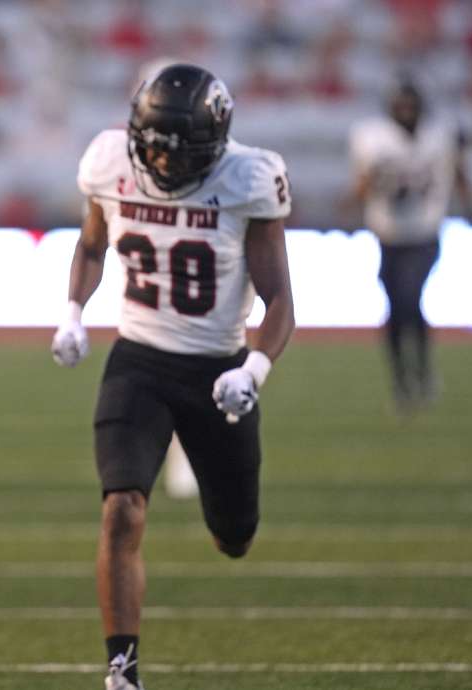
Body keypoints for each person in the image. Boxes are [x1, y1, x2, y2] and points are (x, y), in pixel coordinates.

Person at [50, 64, 295, 690]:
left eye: (176, 149)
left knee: (234, 536)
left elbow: (279, 302)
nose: (160, 160)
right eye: (152, 143)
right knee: (122, 511)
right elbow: (91, 245)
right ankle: (122, 670)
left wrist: (255, 370)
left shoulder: (249, 178)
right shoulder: (109, 161)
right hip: (139, 361)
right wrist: (73, 314)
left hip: (219, 370)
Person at [347, 77, 472, 412]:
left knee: (409, 297)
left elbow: (459, 171)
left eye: (410, 106)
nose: (405, 112)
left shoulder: (440, 135)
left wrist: (471, 205)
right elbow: (361, 186)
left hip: (424, 233)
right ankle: (404, 378)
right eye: (400, 106)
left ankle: (420, 371)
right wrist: (361, 191)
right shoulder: (373, 137)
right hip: (388, 235)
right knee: (398, 306)